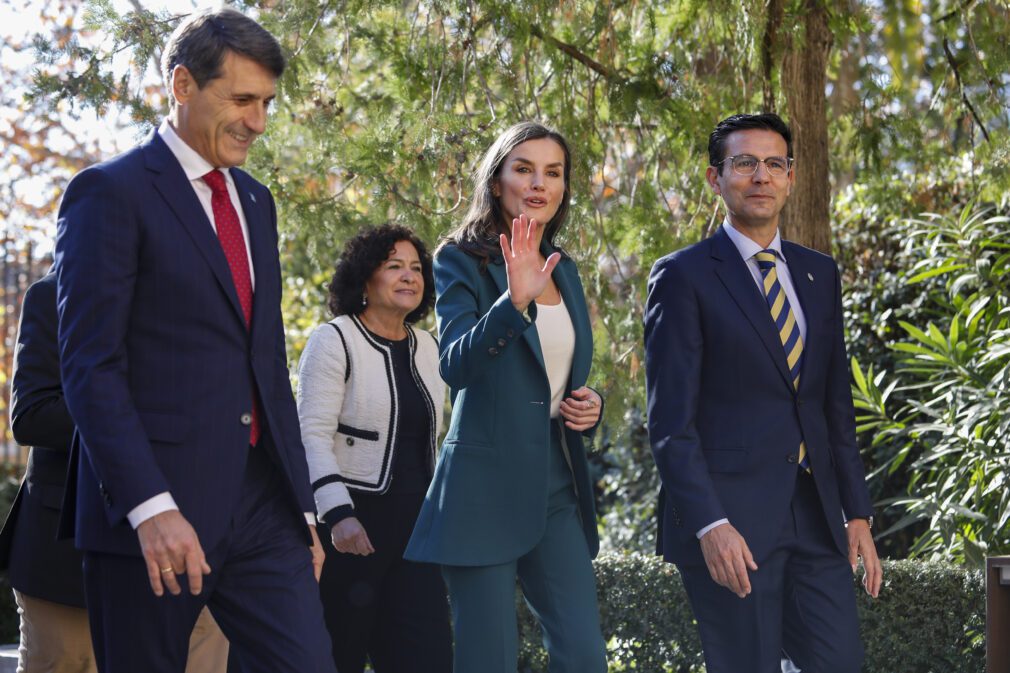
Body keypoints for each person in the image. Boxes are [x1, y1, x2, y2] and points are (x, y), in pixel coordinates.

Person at [53, 9, 335, 673]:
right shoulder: (108, 193)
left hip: (264, 503)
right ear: (183, 85)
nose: (259, 122)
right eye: (241, 100)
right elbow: (91, 367)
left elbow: (266, 362)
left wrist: (303, 507)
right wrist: (150, 507)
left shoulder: (258, 202)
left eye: (266, 103)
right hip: (154, 507)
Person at [644, 112, 883, 673]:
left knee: (840, 663)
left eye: (774, 164)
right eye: (744, 163)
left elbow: (833, 405)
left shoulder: (818, 274)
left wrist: (857, 512)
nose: (760, 176)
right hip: (733, 522)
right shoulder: (682, 276)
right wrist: (710, 523)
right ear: (715, 177)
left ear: (791, 177)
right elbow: (670, 424)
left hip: (816, 518)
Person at [405, 121, 608, 673]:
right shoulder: (458, 260)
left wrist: (591, 407)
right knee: (487, 660)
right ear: (496, 182)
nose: (538, 183)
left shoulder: (565, 271)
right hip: (482, 487)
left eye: (553, 172)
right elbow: (456, 365)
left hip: (557, 483)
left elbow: (559, 373)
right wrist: (512, 305)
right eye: (523, 169)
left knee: (585, 656)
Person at [0, 270, 230, 673]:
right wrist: (131, 410)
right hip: (67, 555)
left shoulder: (194, 301)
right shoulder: (50, 295)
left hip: (187, 545)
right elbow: (31, 417)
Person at [296, 224, 452, 673]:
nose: (409, 276)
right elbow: (311, 436)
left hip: (417, 533)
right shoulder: (335, 339)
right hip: (351, 529)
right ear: (365, 278)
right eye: (394, 266)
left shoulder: (429, 347)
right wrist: (338, 515)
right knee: (337, 655)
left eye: (416, 268)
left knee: (427, 657)